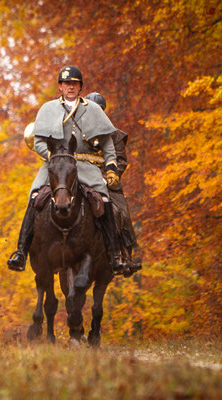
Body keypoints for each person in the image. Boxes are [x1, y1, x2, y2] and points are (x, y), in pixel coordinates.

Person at [7, 65, 128, 276]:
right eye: (66, 83)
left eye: (74, 83)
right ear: (60, 87)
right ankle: (20, 252)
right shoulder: (47, 109)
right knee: (35, 195)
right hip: (55, 164)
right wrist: (53, 158)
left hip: (85, 165)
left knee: (105, 198)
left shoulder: (93, 109)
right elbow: (38, 141)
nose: (70, 87)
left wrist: (110, 168)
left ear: (80, 87)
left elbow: (108, 145)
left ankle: (115, 255)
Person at [85, 92, 141, 274]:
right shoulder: (77, 131)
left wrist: (108, 176)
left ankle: (125, 254)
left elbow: (121, 160)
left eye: (98, 110)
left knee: (122, 212)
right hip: (81, 178)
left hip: (106, 181)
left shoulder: (114, 135)